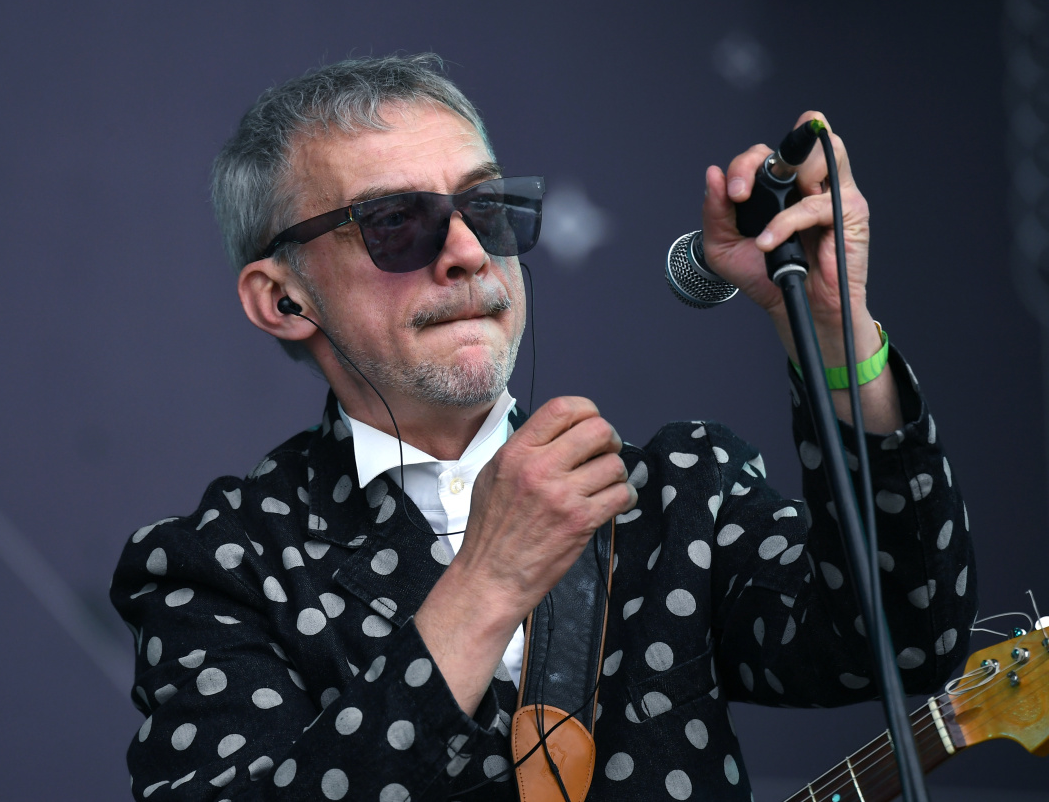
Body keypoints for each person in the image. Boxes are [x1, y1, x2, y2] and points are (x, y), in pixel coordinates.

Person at [111, 54, 976, 801]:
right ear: (283, 298)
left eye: (485, 207)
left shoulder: (674, 494)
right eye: (395, 222)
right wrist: (488, 581)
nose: (468, 252)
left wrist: (833, 328)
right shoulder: (221, 568)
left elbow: (911, 639)